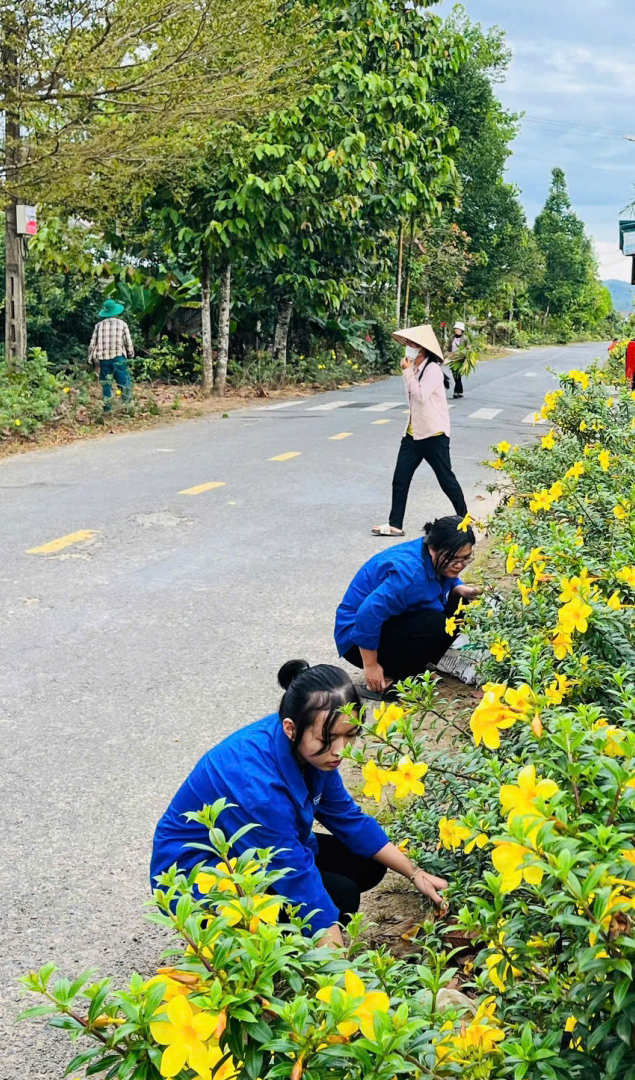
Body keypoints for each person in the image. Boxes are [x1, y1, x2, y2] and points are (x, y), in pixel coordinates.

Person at [150, 660, 449, 943]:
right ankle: (265, 949)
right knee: (339, 897)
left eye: (350, 735)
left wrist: (415, 873)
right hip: (198, 877)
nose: (341, 751)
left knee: (366, 864)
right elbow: (294, 872)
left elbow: (348, 818)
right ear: (291, 728)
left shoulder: (312, 751)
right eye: (329, 738)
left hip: (254, 849)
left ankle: (298, 937)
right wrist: (338, 967)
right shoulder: (255, 782)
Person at [338, 516, 481, 694]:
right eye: (453, 559)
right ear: (433, 548)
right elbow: (367, 614)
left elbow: (444, 576)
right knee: (436, 624)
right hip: (355, 641)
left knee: (464, 604)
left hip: (389, 623)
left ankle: (415, 664)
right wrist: (371, 665)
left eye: (465, 558)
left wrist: (461, 588)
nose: (459, 565)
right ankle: (395, 676)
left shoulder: (431, 554)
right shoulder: (409, 575)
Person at [374, 324, 468, 537]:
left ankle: (467, 520)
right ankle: (395, 524)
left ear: (423, 348)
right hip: (413, 434)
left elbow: (421, 395)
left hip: (434, 435)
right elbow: (412, 399)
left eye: (414, 343)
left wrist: (407, 373)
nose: (409, 347)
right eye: (408, 343)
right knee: (400, 478)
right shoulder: (414, 368)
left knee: (446, 480)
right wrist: (409, 372)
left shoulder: (432, 370)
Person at [88, 298, 135, 413]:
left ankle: (107, 409)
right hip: (118, 357)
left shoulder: (98, 326)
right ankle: (126, 407)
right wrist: (131, 355)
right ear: (116, 312)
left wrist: (90, 358)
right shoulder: (122, 324)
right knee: (123, 383)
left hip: (103, 359)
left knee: (106, 384)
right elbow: (128, 342)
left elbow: (92, 343)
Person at [449, 322, 467, 399]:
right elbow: (446, 348)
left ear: (461, 330)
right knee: (455, 375)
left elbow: (469, 348)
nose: (456, 330)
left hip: (461, 359)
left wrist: (465, 352)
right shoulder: (451, 338)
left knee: (458, 375)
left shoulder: (465, 338)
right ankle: (460, 391)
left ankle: (456, 391)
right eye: (455, 329)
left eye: (457, 329)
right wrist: (448, 354)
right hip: (453, 359)